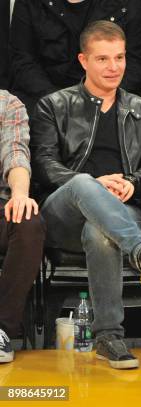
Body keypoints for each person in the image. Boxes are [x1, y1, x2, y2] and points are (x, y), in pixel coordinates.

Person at [30, 21, 141, 370]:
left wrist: (132, 183)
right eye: (103, 59)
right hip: (64, 212)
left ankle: (109, 337)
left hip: (124, 211)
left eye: (120, 57)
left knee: (101, 232)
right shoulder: (54, 104)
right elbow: (46, 165)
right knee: (83, 185)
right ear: (83, 60)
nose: (114, 67)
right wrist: (95, 182)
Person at [9, 0, 141, 114]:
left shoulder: (127, 4)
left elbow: (136, 60)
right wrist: (58, 100)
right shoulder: (30, 4)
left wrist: (103, 98)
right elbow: (23, 60)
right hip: (47, 93)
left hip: (110, 93)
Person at [0, 90, 45, 364]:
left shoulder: (6, 103)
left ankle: (2, 328)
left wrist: (19, 194)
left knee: (28, 219)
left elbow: (15, 152)